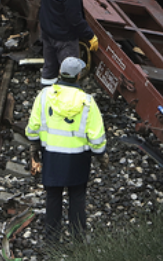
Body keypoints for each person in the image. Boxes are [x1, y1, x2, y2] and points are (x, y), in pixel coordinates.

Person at [26, 57, 107, 244]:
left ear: (60, 73)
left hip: (52, 156)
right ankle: (78, 238)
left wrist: (34, 146)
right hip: (78, 158)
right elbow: (96, 136)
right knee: (77, 196)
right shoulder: (87, 102)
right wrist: (100, 153)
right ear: (78, 76)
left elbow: (33, 126)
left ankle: (52, 239)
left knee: (53, 196)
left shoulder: (45, 95)